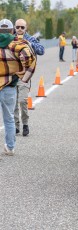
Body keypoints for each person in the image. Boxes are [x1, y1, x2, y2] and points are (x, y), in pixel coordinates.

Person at [0, 18, 36, 157]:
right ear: (12, 30)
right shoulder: (18, 44)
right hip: (9, 86)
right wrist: (23, 77)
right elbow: (30, 61)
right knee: (9, 118)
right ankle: (10, 147)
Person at [14, 18, 45, 136]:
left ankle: (25, 123)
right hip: (11, 75)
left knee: (22, 101)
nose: (20, 29)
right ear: (14, 28)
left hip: (25, 75)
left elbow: (42, 50)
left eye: (22, 27)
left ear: (26, 28)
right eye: (17, 27)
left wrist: (30, 44)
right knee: (13, 102)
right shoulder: (11, 38)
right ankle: (16, 126)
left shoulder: (30, 39)